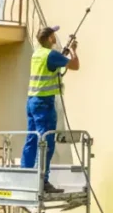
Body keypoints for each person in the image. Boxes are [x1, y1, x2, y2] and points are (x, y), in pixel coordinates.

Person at [21, 25, 79, 193]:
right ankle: (43, 181)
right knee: (47, 142)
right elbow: (75, 66)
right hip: (44, 104)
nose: (55, 37)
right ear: (49, 38)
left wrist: (63, 55)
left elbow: (52, 65)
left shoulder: (37, 54)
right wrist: (73, 50)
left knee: (32, 139)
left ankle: (26, 175)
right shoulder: (51, 55)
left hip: (32, 101)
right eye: (54, 35)